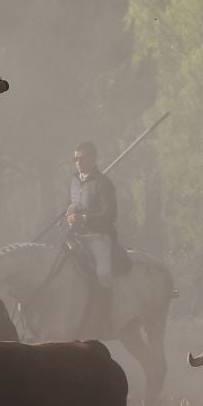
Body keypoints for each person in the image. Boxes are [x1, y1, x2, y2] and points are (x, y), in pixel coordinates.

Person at [65, 141, 118, 334]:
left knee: (103, 274)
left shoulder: (103, 183)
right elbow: (70, 206)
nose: (78, 162)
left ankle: (105, 319)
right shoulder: (73, 180)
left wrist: (84, 217)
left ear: (93, 158)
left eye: (82, 158)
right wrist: (70, 215)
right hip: (77, 237)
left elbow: (111, 215)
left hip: (98, 237)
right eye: (75, 158)